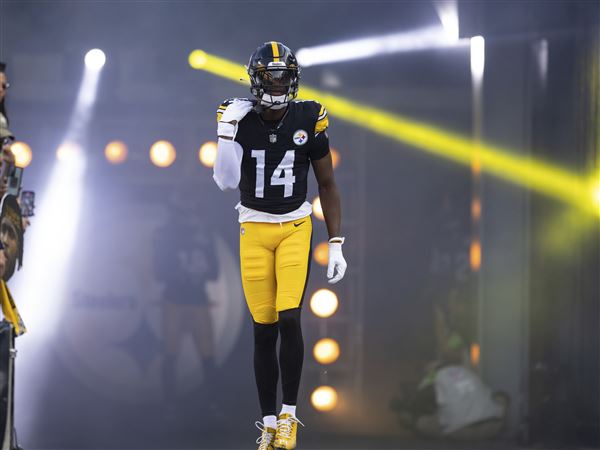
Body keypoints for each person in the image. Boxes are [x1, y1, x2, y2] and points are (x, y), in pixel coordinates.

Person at [213, 41, 347, 450]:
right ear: (255, 79)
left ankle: (289, 416)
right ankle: (268, 423)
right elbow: (225, 182)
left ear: (293, 79)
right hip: (253, 226)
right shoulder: (238, 117)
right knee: (263, 328)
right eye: (269, 76)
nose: (276, 83)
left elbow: (326, 182)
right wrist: (225, 135)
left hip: (294, 225)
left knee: (290, 317)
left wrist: (336, 240)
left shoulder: (309, 115)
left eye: (283, 76)